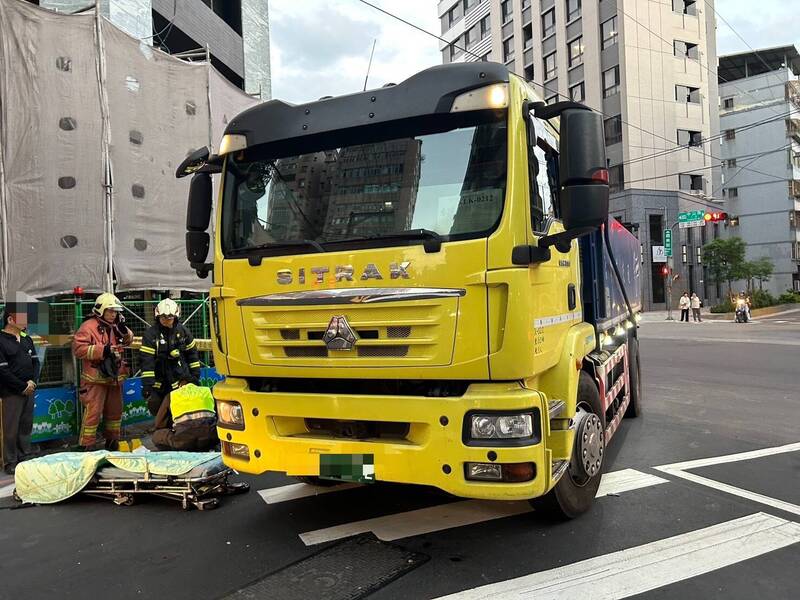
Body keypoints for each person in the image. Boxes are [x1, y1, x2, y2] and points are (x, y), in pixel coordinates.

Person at [71, 293, 133, 451]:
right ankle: (87, 445)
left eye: (115, 311)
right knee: (93, 413)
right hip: (95, 378)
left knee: (115, 412)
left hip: (114, 377)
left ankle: (112, 442)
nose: (114, 314)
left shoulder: (116, 325)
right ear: (101, 310)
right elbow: (78, 350)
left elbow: (129, 340)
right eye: (110, 311)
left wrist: (124, 331)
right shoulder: (88, 326)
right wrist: (103, 350)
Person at [139, 298, 201, 425]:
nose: (166, 321)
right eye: (163, 318)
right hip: (159, 380)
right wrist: (147, 385)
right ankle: (163, 431)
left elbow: (193, 355)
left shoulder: (183, 332)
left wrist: (194, 376)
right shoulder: (151, 335)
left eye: (170, 318)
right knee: (157, 406)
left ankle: (179, 430)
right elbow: (147, 361)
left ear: (175, 317)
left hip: (179, 379)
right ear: (158, 316)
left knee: (180, 408)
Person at [0, 304, 40, 474]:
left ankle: (25, 455)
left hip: (29, 389)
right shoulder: (1, 340)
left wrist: (32, 382)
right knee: (10, 427)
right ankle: (10, 460)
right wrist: (22, 386)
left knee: (25, 424)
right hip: (11, 392)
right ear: (10, 319)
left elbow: (36, 362)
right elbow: (2, 370)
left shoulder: (26, 338)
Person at [151, 381, 218, 451]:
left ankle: (175, 453)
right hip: (211, 437)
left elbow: (159, 424)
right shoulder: (208, 391)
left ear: (179, 386)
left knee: (157, 436)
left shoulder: (171, 396)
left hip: (183, 441)